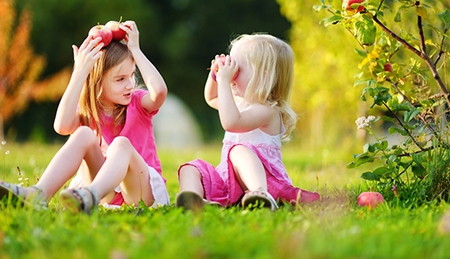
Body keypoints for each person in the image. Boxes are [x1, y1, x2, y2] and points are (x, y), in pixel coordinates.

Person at [0, 21, 170, 213]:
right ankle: (38, 194)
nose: (131, 84)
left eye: (132, 75)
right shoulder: (88, 110)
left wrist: (136, 50)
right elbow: (62, 127)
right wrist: (80, 72)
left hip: (140, 192)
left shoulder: (138, 102)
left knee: (120, 144)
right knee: (83, 134)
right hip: (108, 193)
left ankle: (89, 196)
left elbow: (160, 93)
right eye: (120, 79)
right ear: (97, 82)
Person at [176, 33, 320, 211]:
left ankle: (259, 194)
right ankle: (193, 198)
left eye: (237, 69)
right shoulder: (237, 104)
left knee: (238, 151)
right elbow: (212, 97)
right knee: (191, 167)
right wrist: (215, 75)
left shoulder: (268, 111)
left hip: (267, 181)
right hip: (230, 182)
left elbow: (231, 123)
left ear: (263, 77)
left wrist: (224, 80)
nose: (232, 75)